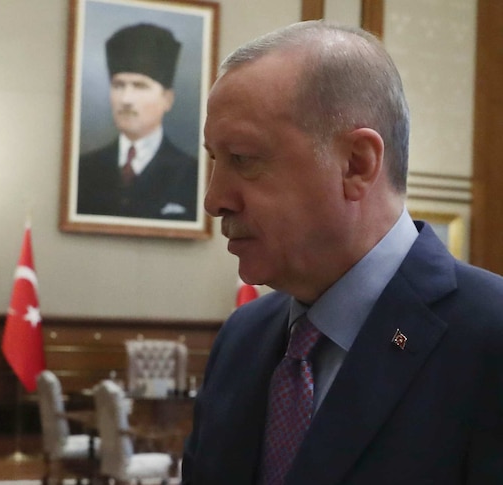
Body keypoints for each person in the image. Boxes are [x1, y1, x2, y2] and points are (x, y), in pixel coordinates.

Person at [182, 21, 503, 484]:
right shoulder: (241, 339)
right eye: (214, 159)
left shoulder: (490, 340)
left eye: (244, 159)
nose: (214, 200)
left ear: (357, 164)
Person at [77, 23, 199, 221]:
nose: (126, 99)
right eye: (118, 85)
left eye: (140, 86)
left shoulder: (192, 173)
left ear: (167, 99)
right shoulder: (84, 169)